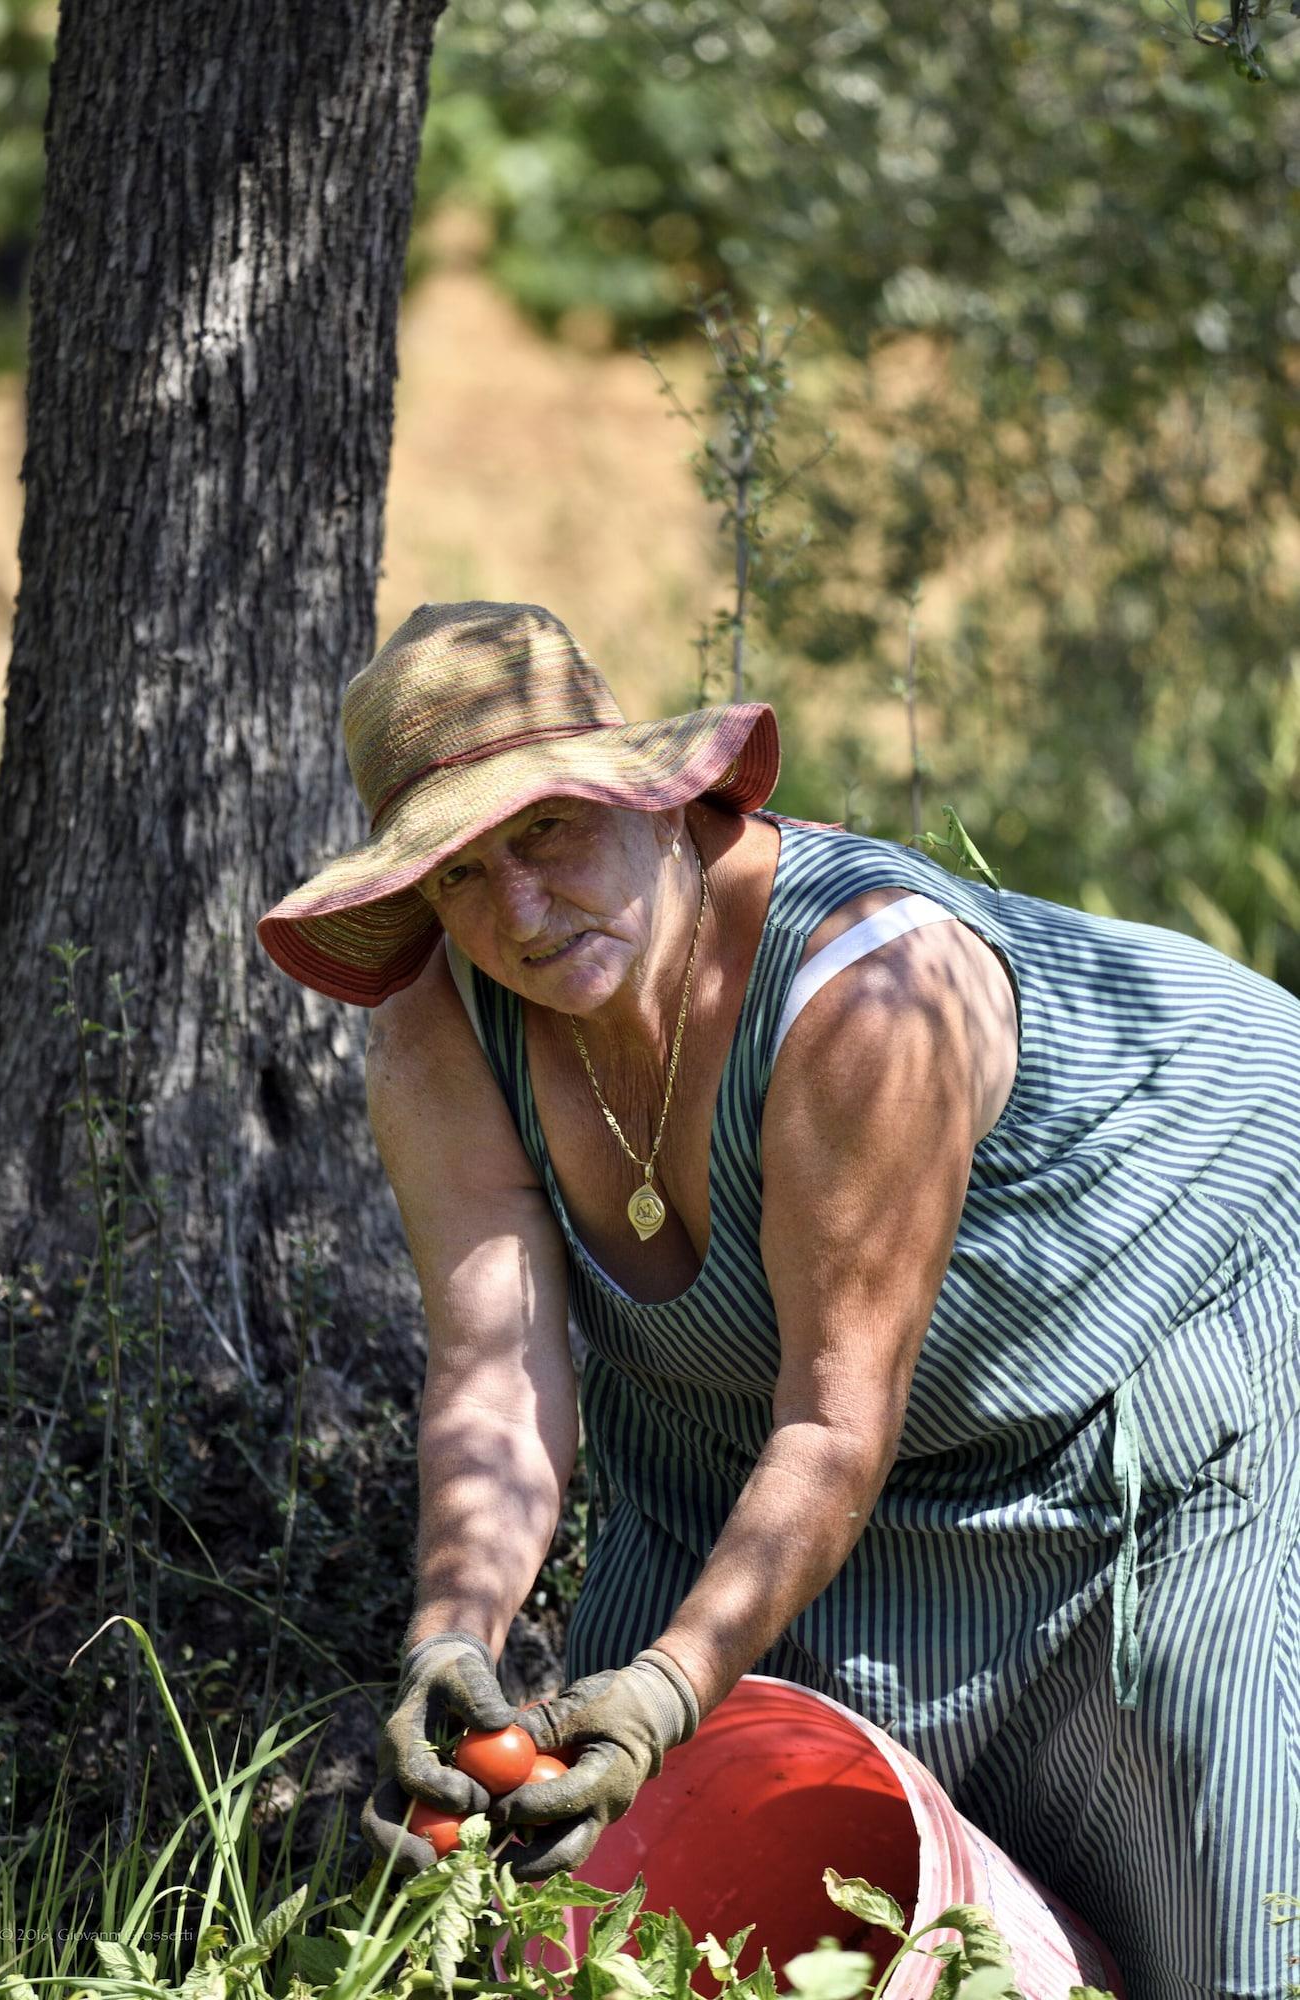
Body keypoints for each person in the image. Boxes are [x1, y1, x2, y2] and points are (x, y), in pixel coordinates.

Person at [259, 600, 1300, 2000]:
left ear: (648, 793)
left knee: (1218, 1896)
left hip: (1153, 1330)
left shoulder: (867, 997)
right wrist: (456, 1632)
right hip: (742, 1440)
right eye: (459, 873)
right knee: (629, 1893)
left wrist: (676, 1685)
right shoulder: (442, 1028)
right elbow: (495, 1370)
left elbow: (832, 1420)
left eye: (548, 833)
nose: (516, 910)